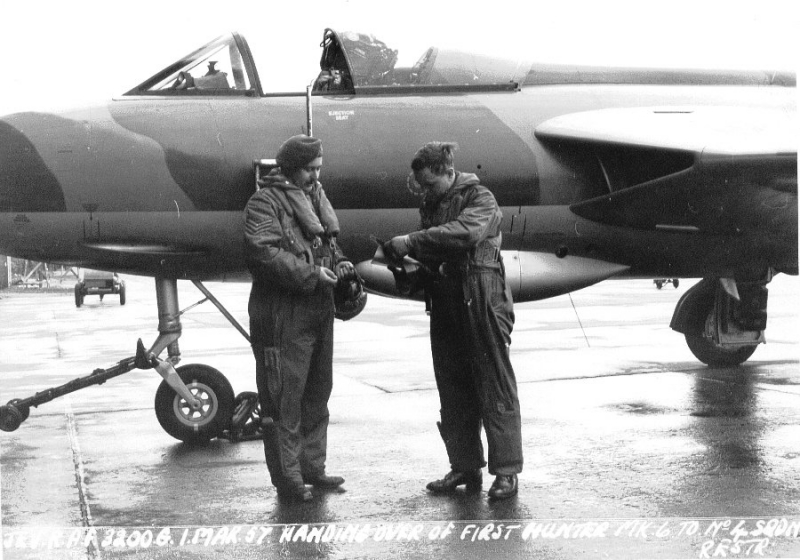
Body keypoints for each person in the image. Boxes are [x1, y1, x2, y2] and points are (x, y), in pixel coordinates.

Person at [383, 141, 523, 500]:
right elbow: (433, 249)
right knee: (452, 386)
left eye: (429, 184)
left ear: (448, 172)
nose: (425, 192)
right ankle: (464, 466)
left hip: (481, 296)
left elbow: (466, 233)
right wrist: (409, 268)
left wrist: (411, 241)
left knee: (493, 383)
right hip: (446, 298)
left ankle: (506, 472)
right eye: (421, 186)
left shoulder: (481, 198)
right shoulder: (433, 204)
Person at [244, 134, 355, 502]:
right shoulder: (265, 203)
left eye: (318, 168)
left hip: (318, 307)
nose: (315, 176)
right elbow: (263, 253)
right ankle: (289, 479)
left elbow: (327, 244)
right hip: (283, 312)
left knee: (317, 393)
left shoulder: (314, 198)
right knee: (284, 399)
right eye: (309, 169)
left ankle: (312, 468)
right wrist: (311, 274)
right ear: (290, 169)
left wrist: (341, 263)